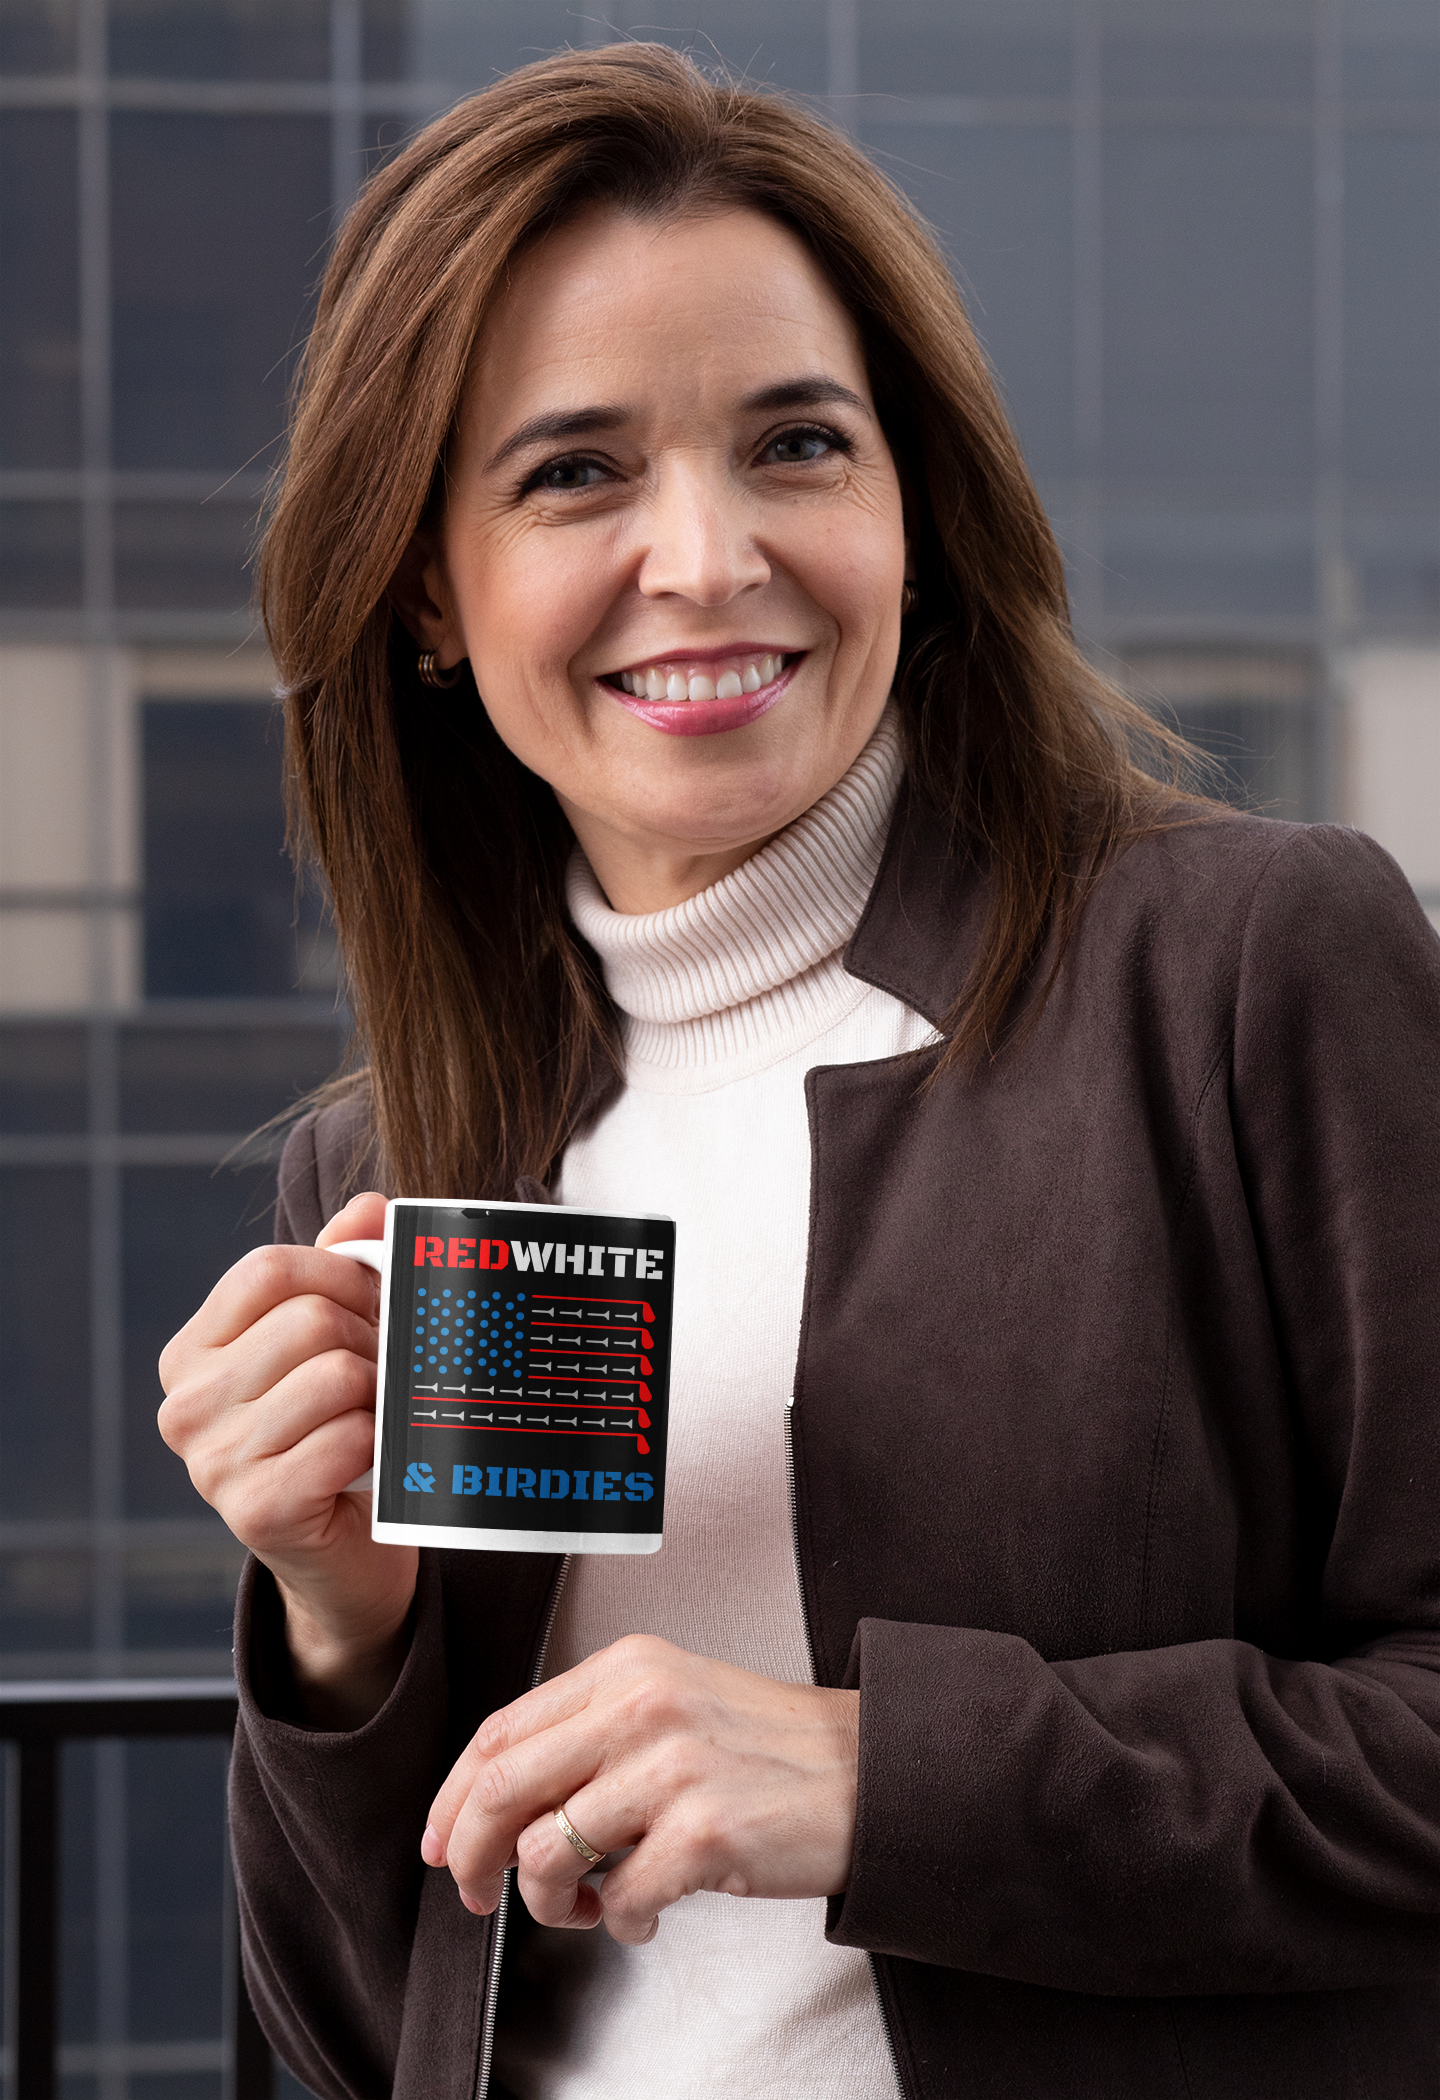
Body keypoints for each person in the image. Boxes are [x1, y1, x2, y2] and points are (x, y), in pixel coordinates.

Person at [157, 41, 1440, 2100]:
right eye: (574, 473)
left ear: (911, 509)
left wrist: (873, 1776)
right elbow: (350, 2029)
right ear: (423, 592)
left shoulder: (1243, 972)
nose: (707, 556)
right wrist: (340, 1626)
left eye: (797, 445)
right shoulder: (396, 1167)